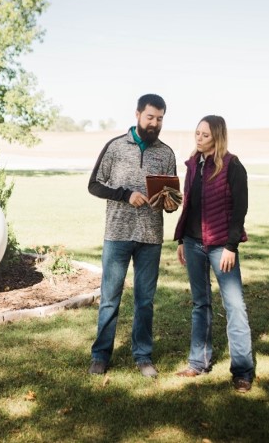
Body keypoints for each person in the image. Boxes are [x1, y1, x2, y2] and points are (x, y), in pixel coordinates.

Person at [87, 94, 178, 377]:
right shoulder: (115, 147)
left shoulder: (166, 153)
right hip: (117, 234)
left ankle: (143, 356)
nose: (155, 123)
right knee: (110, 297)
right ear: (138, 114)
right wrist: (126, 195)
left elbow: (171, 199)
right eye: (150, 117)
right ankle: (101, 355)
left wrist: (170, 203)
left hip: (151, 237)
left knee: (145, 301)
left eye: (160, 118)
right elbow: (94, 185)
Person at [173, 115, 254, 393]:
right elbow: (188, 205)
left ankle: (242, 371)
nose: (199, 137)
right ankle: (198, 362)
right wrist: (181, 240)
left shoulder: (232, 165)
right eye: (197, 132)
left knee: (235, 306)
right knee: (200, 304)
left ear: (217, 136)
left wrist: (231, 246)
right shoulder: (193, 165)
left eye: (205, 134)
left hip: (222, 246)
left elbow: (240, 209)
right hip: (193, 243)